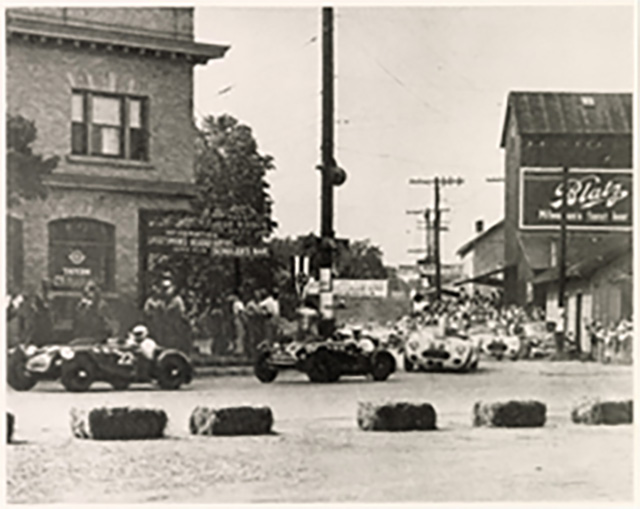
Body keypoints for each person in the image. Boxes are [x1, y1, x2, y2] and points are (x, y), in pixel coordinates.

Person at [159, 278, 191, 354]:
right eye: (163, 289)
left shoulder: (177, 301)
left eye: (167, 288)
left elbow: (182, 314)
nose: (165, 291)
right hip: (165, 332)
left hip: (176, 331)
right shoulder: (161, 302)